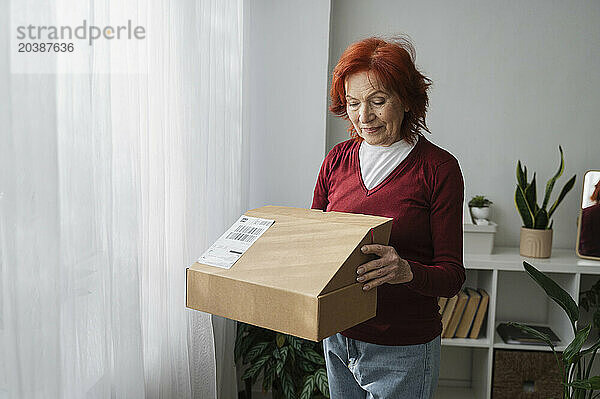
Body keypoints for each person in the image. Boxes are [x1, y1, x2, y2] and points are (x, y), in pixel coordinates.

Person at [311, 36, 465, 398]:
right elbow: (313, 243)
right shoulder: (337, 160)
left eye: (377, 101)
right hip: (339, 340)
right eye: (352, 103)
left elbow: (452, 277)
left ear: (407, 100)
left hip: (404, 349)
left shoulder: (438, 169)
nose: (364, 117)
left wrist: (406, 271)